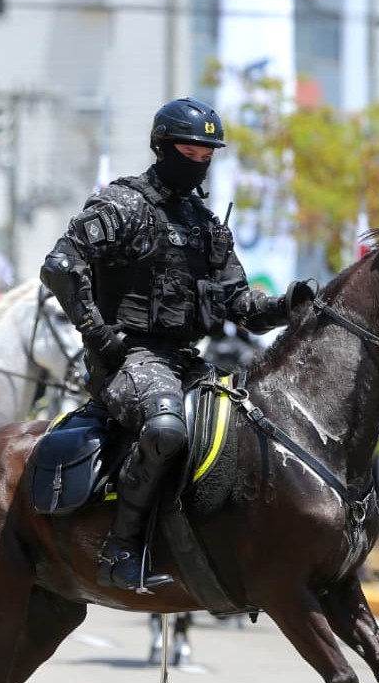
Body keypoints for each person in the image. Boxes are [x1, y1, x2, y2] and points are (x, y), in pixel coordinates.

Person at [40, 96, 315, 592]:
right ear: (162, 146)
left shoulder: (207, 225)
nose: (199, 162)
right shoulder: (123, 204)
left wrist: (288, 305)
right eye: (189, 151)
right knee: (167, 429)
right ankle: (120, 549)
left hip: (188, 359)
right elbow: (60, 266)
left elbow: (240, 306)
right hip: (128, 357)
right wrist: (100, 336)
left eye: (207, 154)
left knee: (254, 429)